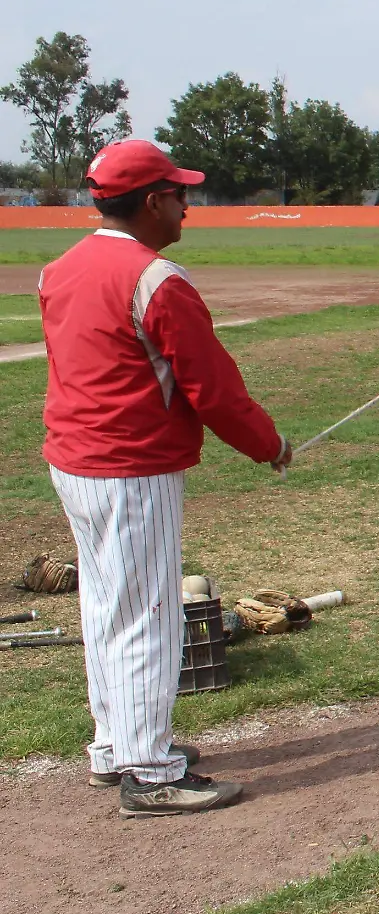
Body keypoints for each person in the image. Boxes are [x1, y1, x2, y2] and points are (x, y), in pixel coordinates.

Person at [39, 140, 289, 817]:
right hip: (131, 465)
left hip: (75, 461)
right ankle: (149, 771)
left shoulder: (59, 269)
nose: (187, 205)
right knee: (148, 615)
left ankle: (114, 746)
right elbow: (212, 387)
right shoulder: (156, 279)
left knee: (105, 607)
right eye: (179, 194)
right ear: (152, 201)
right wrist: (269, 444)